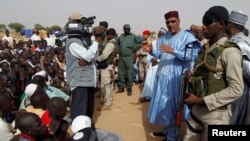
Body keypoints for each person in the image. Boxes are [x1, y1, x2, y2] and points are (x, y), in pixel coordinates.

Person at [183, 6, 244, 141]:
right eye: (203, 23)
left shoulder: (230, 52)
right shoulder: (205, 48)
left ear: (221, 24)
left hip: (216, 115)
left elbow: (236, 89)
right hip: (196, 112)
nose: (203, 27)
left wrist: (201, 100)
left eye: (208, 22)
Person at [143, 11, 201, 141]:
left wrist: (173, 51)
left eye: (173, 21)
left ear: (179, 21)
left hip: (176, 79)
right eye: (168, 22)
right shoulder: (164, 37)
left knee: (174, 107)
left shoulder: (187, 37)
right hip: (162, 77)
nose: (170, 24)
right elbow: (161, 55)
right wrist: (152, 51)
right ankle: (165, 129)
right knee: (163, 105)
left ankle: (172, 137)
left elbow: (192, 56)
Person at [65, 12, 105, 120]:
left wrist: (87, 57)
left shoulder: (85, 40)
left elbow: (94, 56)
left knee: (87, 112)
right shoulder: (73, 42)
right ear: (73, 24)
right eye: (80, 23)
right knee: (79, 114)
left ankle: (87, 132)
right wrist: (96, 42)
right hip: (79, 83)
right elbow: (88, 56)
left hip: (87, 81)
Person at [226, 10, 250, 124]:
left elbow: (248, 70)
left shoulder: (240, 43)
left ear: (230, 24)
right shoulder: (234, 40)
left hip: (238, 91)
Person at [116, 24, 141, 96]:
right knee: (121, 72)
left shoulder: (133, 36)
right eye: (126, 29)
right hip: (121, 57)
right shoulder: (120, 37)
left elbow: (139, 43)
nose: (128, 30)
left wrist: (134, 49)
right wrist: (118, 50)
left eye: (129, 29)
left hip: (129, 57)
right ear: (124, 29)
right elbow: (117, 44)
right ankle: (121, 87)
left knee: (130, 72)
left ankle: (129, 88)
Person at [97, 28, 117, 111]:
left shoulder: (110, 44)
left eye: (108, 34)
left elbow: (104, 56)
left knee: (107, 85)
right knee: (106, 85)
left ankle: (107, 103)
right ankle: (106, 100)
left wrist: (97, 59)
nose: (107, 36)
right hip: (109, 66)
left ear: (111, 35)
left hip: (107, 66)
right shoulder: (113, 43)